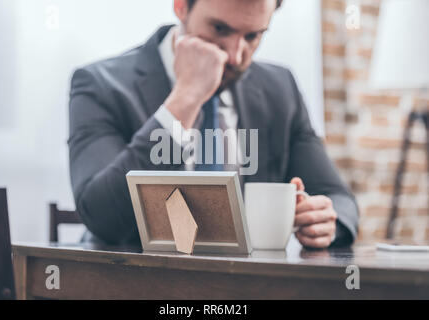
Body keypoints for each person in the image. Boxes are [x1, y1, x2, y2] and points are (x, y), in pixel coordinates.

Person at [68, 0, 359, 249]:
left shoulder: (280, 88)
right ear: (181, 6)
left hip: (244, 285)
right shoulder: (101, 85)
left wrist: (323, 219)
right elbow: (101, 215)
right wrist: (187, 96)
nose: (234, 55)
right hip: (129, 281)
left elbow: (339, 200)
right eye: (219, 29)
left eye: (253, 36)